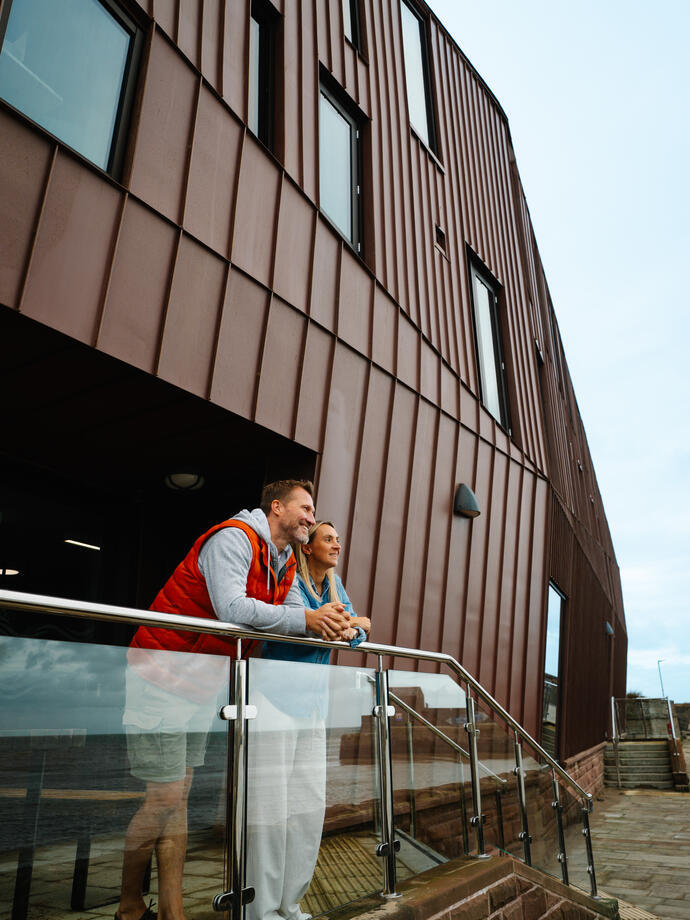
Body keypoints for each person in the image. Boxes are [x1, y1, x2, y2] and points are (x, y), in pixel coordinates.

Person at [116, 482, 352, 920]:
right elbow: (233, 609)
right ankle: (129, 906)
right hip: (161, 674)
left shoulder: (283, 562)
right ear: (277, 507)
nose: (310, 516)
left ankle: (171, 911)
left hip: (198, 684)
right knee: (164, 798)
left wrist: (325, 621)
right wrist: (307, 617)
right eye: (305, 508)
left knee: (178, 798)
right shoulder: (233, 538)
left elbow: (291, 616)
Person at [246, 521, 370, 920]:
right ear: (308, 547)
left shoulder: (333, 584)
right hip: (274, 701)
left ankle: (290, 904)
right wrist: (344, 624)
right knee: (269, 810)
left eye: (338, 539)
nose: (336, 545)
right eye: (328, 538)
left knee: (308, 807)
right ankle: (261, 909)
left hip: (313, 705)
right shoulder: (291, 580)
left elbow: (359, 630)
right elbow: (316, 625)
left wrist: (348, 626)